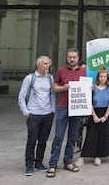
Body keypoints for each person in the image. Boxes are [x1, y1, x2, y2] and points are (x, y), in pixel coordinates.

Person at [46, 48, 86, 178]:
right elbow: (54, 86)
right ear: (67, 58)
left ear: (78, 58)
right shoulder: (61, 70)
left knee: (72, 137)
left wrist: (89, 88)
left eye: (74, 57)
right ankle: (53, 164)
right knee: (58, 137)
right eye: (70, 57)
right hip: (63, 106)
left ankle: (68, 162)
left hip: (77, 107)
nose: (72, 59)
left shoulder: (84, 71)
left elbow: (88, 87)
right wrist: (63, 88)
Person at [17, 56, 55, 176]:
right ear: (38, 65)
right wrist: (26, 112)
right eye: (45, 63)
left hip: (47, 114)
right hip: (33, 114)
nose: (47, 66)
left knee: (43, 141)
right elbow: (21, 97)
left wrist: (53, 110)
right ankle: (29, 164)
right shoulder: (30, 78)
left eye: (48, 63)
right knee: (32, 140)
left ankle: (39, 162)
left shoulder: (51, 78)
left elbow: (52, 95)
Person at [75, 66, 109, 166]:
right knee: (91, 135)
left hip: (105, 113)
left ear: (107, 78)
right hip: (94, 113)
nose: (102, 78)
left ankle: (98, 156)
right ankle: (83, 157)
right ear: (98, 77)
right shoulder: (93, 88)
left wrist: (105, 116)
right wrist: (94, 116)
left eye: (105, 76)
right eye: (101, 76)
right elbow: (89, 102)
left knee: (103, 136)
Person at [74, 62, 87, 153]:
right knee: (78, 128)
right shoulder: (76, 80)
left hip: (90, 107)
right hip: (80, 105)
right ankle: (78, 145)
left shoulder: (93, 80)